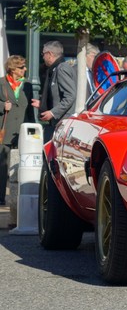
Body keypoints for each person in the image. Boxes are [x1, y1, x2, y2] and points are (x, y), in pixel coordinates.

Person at [0, 55, 35, 205]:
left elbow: (30, 112)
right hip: (5, 130)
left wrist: (32, 131)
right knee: (2, 166)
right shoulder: (1, 83)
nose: (25, 69)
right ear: (13, 69)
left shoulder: (27, 85)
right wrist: (2, 106)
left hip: (22, 131)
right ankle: (1, 198)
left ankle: (21, 199)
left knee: (23, 165)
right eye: (22, 67)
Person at [31, 41, 77, 141]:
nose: (42, 57)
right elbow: (58, 95)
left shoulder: (61, 68)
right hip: (57, 123)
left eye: (43, 54)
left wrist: (53, 113)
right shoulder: (55, 69)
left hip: (63, 123)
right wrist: (43, 104)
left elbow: (70, 96)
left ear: (50, 54)